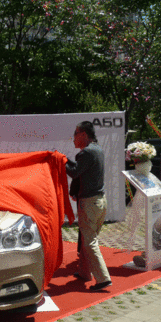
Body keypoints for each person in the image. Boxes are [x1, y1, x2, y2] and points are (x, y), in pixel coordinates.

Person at [65, 121, 112, 291]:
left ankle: (103, 278)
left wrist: (61, 161)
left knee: (89, 241)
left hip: (90, 203)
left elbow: (75, 172)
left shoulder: (86, 153)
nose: (74, 137)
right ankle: (85, 272)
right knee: (87, 238)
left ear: (84, 134)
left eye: (76, 133)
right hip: (100, 202)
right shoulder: (98, 149)